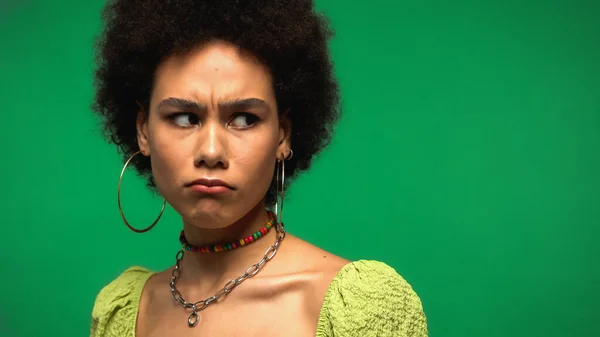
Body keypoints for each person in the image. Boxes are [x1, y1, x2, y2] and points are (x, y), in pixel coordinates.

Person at [89, 0, 428, 336]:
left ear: (283, 135)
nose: (210, 152)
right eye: (184, 118)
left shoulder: (357, 311)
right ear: (143, 130)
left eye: (243, 119)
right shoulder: (124, 314)